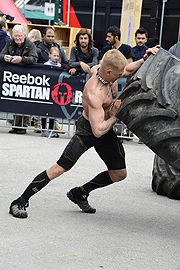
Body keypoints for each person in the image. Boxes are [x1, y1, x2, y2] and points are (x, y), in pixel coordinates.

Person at [9, 46, 159, 218]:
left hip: (105, 129)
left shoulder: (106, 72)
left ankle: (80, 193)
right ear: (108, 71)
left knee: (119, 174)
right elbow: (98, 130)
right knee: (59, 169)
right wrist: (117, 115)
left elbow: (126, 70)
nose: (121, 76)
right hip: (89, 130)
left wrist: (144, 59)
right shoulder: (94, 92)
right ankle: (20, 201)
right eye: (118, 74)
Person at [0, 24, 38, 134]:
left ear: (24, 35)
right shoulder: (9, 42)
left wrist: (21, 59)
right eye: (15, 36)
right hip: (14, 77)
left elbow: (34, 58)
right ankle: (16, 125)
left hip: (28, 76)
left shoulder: (30, 44)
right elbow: (1, 55)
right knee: (16, 100)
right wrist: (5, 58)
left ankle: (23, 126)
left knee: (26, 100)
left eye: (19, 36)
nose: (17, 38)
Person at [42, 47, 64, 138]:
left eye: (57, 56)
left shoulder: (59, 66)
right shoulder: (45, 65)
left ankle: (51, 129)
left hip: (55, 91)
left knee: (52, 112)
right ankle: (43, 129)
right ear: (49, 55)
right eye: (54, 55)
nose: (56, 58)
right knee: (44, 111)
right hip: (46, 90)